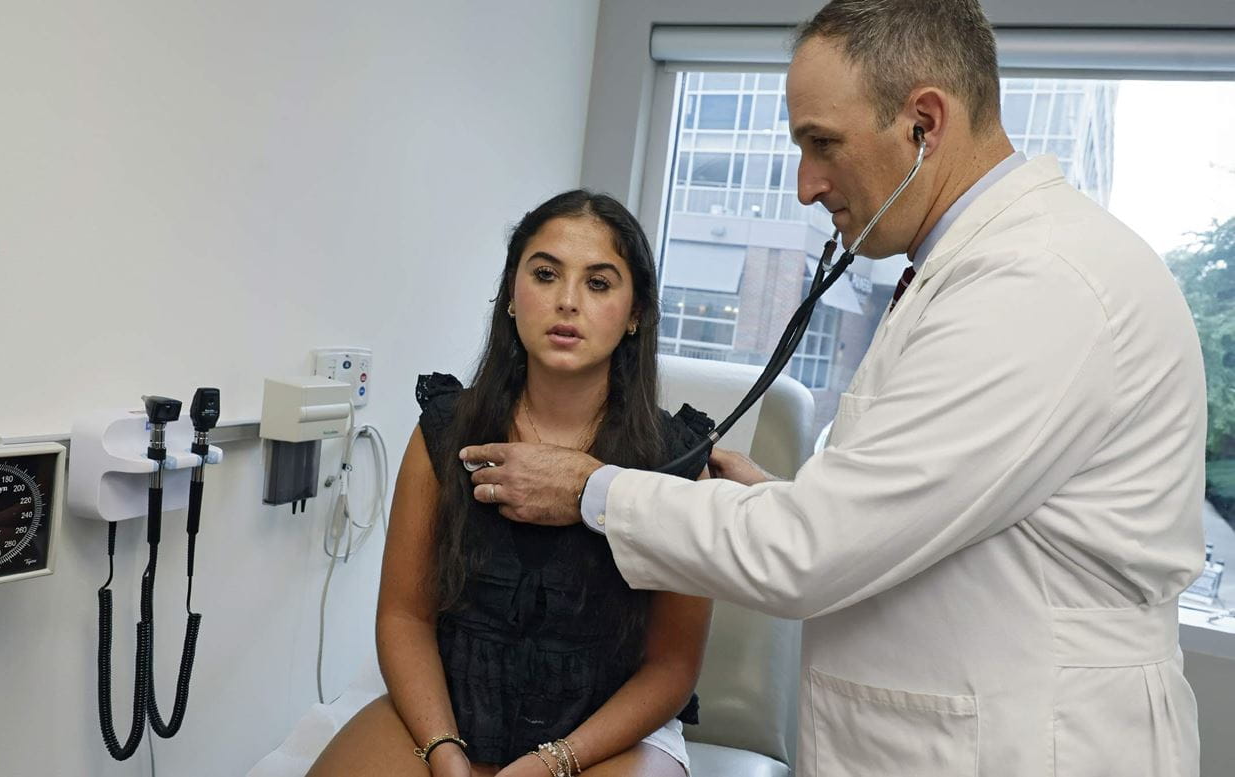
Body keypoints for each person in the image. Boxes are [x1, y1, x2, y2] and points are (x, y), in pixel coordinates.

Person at [459, 2, 1207, 775]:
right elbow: (914, 513)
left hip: (1026, 741)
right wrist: (781, 501)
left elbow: (812, 552)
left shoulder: (1040, 284)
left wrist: (594, 491)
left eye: (823, 144)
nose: (806, 186)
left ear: (924, 122)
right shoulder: (972, 273)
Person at [308, 190, 716, 777]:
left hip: (607, 735)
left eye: (599, 284)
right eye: (546, 274)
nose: (568, 302)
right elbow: (404, 617)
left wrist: (553, 762)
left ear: (635, 314)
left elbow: (673, 666)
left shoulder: (676, 463)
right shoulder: (445, 434)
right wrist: (445, 752)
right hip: (446, 712)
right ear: (510, 297)